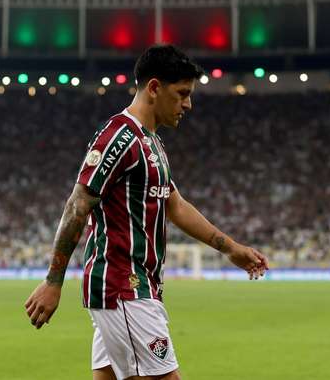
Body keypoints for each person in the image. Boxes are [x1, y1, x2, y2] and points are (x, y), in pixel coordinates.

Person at [25, 45, 269, 380]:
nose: (188, 104)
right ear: (154, 88)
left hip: (134, 290)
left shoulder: (151, 144)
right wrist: (54, 281)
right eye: (182, 93)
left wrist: (230, 248)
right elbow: (77, 205)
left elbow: (176, 206)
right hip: (125, 287)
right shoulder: (119, 137)